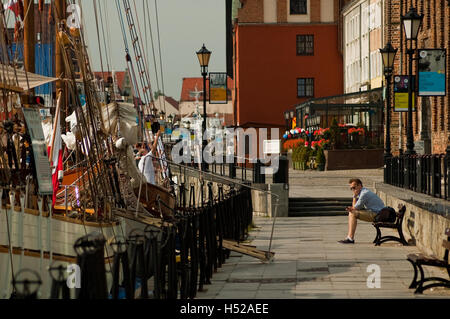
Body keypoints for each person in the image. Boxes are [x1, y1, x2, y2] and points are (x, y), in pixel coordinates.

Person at [338, 178, 385, 244]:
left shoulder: (364, 194)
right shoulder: (364, 192)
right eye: (351, 188)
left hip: (378, 215)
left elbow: (355, 208)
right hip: (378, 213)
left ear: (360, 185)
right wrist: (353, 208)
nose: (353, 190)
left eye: (354, 188)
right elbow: (355, 207)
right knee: (352, 213)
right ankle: (349, 237)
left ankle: (350, 238)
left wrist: (354, 197)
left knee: (352, 214)